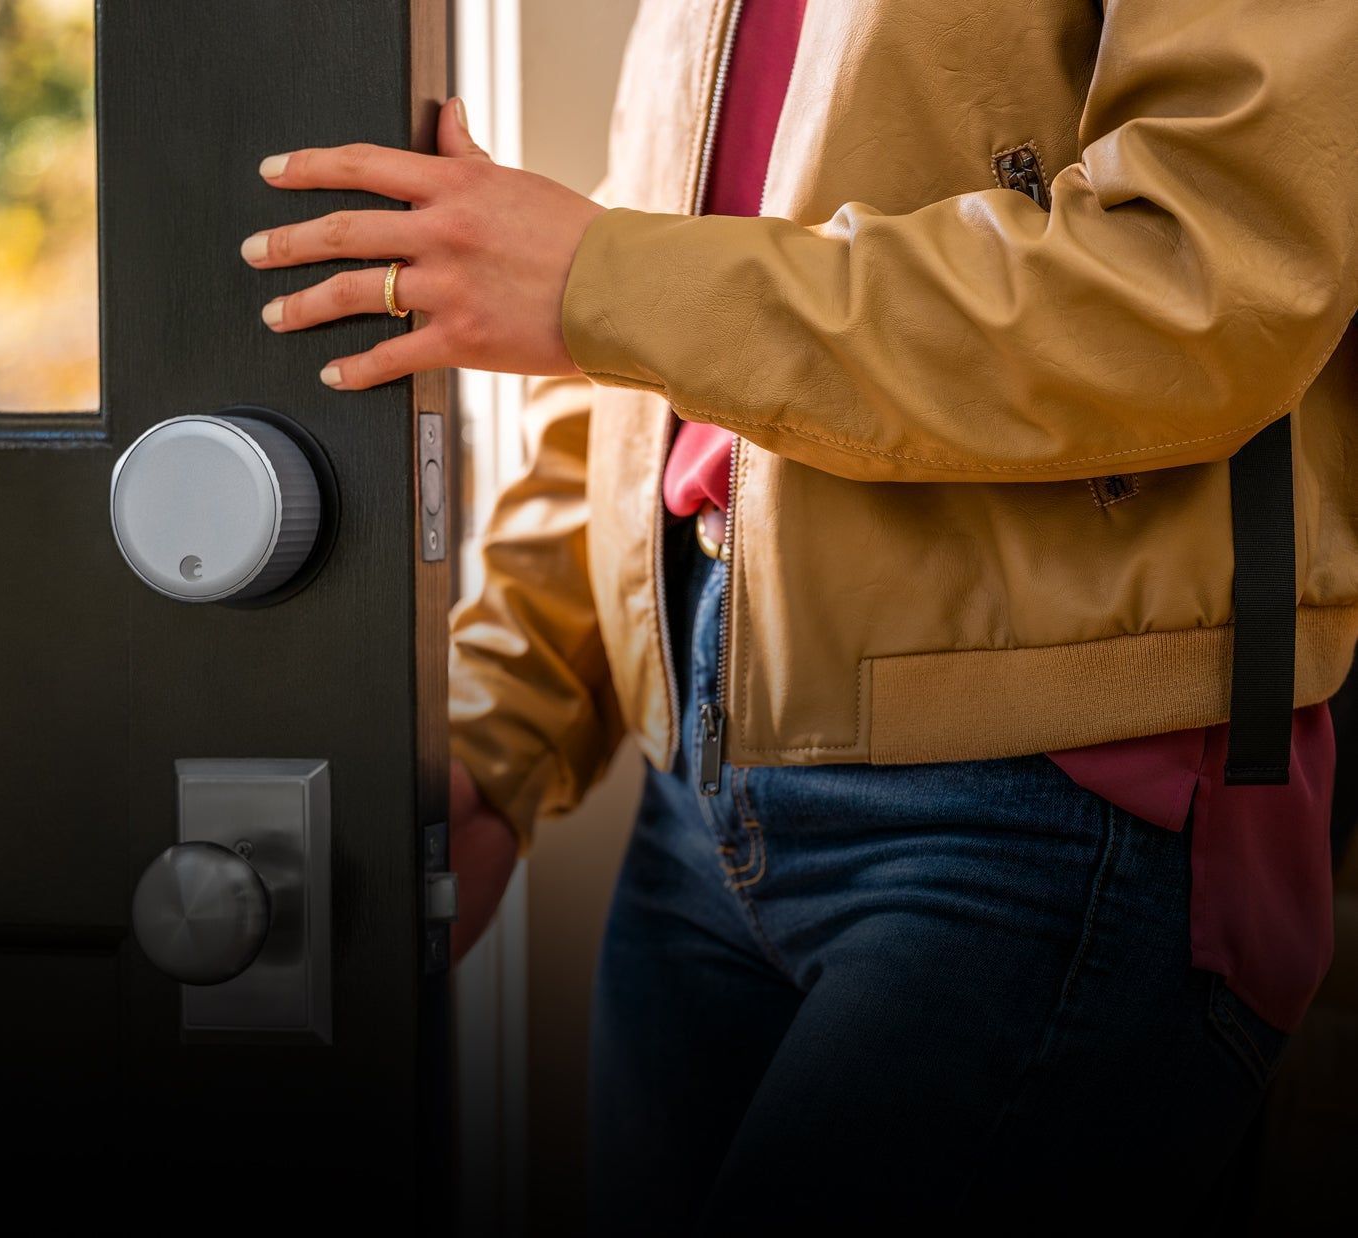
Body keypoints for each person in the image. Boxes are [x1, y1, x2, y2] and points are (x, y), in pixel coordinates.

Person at [240, 0, 1358, 1225]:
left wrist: (601, 279)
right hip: (701, 807)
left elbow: (1203, 281)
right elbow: (654, 357)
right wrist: (499, 721)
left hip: (1061, 803)